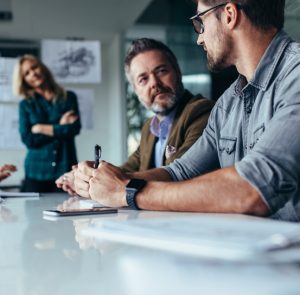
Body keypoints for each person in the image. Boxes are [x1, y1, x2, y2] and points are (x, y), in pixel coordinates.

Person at [72, 0, 300, 222]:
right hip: (252, 250)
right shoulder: (228, 102)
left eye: (201, 21)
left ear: (230, 15)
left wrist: (128, 193)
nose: (199, 37)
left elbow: (254, 188)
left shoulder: (295, 77)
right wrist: (102, 181)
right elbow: (180, 172)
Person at [56, 38, 214, 193]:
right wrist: (86, 175)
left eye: (161, 71)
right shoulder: (149, 127)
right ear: (136, 90)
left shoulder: (200, 112)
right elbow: (127, 168)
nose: (154, 83)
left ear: (178, 72)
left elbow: (181, 172)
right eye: (143, 79)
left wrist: (100, 181)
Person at [14, 55, 81, 192]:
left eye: (34, 67)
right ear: (24, 80)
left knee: (68, 210)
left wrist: (40, 128)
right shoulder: (26, 105)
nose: (33, 73)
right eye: (27, 73)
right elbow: (28, 139)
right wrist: (60, 125)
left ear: (42, 68)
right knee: (32, 213)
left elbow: (74, 129)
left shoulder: (68, 97)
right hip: (36, 172)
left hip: (66, 169)